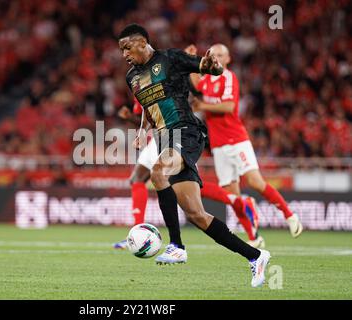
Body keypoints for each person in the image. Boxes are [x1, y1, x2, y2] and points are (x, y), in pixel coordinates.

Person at [118, 23, 270, 287]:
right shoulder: (132, 76)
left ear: (142, 42)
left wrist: (213, 65)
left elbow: (211, 68)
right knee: (197, 215)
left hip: (186, 132)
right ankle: (256, 256)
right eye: (121, 50)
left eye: (127, 47)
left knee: (157, 171)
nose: (124, 54)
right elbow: (146, 106)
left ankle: (176, 245)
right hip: (165, 139)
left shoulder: (171, 59)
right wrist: (143, 131)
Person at [187, 44, 303, 242]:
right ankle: (254, 236)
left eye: (220, 55)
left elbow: (229, 106)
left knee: (255, 181)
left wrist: (203, 105)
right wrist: (190, 60)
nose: (215, 58)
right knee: (232, 195)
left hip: (236, 139)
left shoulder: (228, 76)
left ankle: (289, 215)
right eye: (212, 54)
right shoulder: (207, 78)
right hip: (218, 145)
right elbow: (196, 83)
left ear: (228, 59)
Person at [113, 98, 260, 250]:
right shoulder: (141, 84)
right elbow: (152, 118)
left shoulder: (160, 81)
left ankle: (238, 202)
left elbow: (169, 112)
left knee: (185, 186)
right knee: (141, 178)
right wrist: (132, 119)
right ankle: (139, 232)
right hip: (160, 137)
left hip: (177, 135)